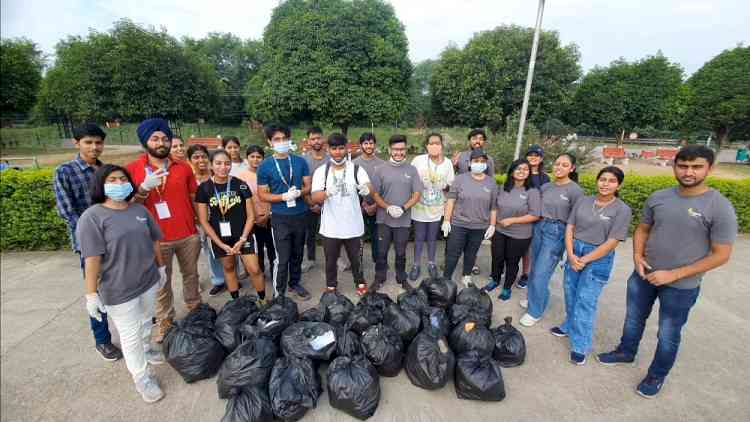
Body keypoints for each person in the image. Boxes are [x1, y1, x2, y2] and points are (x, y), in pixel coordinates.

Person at [597, 145, 737, 398]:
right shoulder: (659, 196)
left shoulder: (719, 206)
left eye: (696, 167)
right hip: (644, 275)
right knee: (633, 319)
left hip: (681, 286)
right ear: (675, 166)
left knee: (668, 333)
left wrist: (673, 274)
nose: (689, 172)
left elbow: (722, 254)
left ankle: (656, 374)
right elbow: (642, 229)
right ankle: (625, 352)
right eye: (683, 166)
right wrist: (638, 256)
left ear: (709, 169)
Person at [77, 164, 167, 403]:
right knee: (130, 334)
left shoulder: (138, 210)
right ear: (101, 185)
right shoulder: (93, 217)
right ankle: (142, 377)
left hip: (147, 279)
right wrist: (90, 294)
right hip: (119, 288)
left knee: (147, 319)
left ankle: (147, 348)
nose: (119, 184)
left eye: (122, 179)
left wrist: (161, 267)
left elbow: (155, 239)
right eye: (112, 180)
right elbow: (92, 258)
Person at [126, 118, 202, 342]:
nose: (161, 143)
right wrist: (142, 189)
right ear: (145, 142)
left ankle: (195, 310)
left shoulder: (183, 168)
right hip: (156, 239)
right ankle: (165, 321)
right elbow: (127, 206)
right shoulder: (133, 170)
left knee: (191, 275)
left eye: (165, 138)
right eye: (155, 138)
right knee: (161, 282)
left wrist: (200, 225)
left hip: (187, 234)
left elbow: (193, 197)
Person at [53, 123, 122, 361]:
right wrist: (93, 233)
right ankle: (102, 340)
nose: (94, 147)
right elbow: (66, 211)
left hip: (116, 240)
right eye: (88, 142)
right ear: (77, 143)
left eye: (98, 142)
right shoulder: (65, 171)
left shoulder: (107, 171)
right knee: (96, 293)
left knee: (121, 284)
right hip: (90, 245)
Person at [550, 166, 632, 366]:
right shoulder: (584, 201)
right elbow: (570, 226)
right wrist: (570, 254)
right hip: (574, 250)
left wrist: (584, 260)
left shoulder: (622, 209)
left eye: (611, 181)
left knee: (586, 301)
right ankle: (569, 324)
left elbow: (612, 242)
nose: (605, 184)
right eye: (602, 179)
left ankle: (580, 346)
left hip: (598, 257)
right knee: (570, 293)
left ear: (618, 185)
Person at [520, 153, 584, 327]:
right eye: (557, 164)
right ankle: (535, 298)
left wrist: (569, 245)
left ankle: (535, 311)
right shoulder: (546, 187)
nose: (559, 168)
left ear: (572, 169)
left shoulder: (575, 190)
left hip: (557, 231)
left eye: (564, 165)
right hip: (539, 226)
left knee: (541, 272)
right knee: (534, 269)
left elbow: (575, 220)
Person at [196, 150, 266, 303]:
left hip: (243, 235)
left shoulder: (240, 185)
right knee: (228, 268)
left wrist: (242, 239)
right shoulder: (204, 188)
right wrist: (219, 243)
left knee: (254, 269)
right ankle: (236, 302)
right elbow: (203, 220)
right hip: (220, 238)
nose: (223, 167)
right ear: (211, 165)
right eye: (218, 163)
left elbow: (251, 216)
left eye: (227, 163)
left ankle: (263, 301)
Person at [311, 133, 372, 296]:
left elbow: (368, 187)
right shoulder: (321, 172)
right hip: (331, 226)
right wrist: (326, 193)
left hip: (353, 225)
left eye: (340, 148)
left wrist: (367, 190)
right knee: (330, 260)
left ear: (346, 149)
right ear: (328, 149)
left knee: (356, 259)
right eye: (334, 148)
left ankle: (360, 282)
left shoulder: (357, 169)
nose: (337, 152)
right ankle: (331, 285)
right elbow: (314, 197)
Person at [257, 123, 312, 300]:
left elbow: (308, 185)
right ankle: (278, 293)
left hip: (300, 214)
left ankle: (294, 283)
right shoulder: (265, 166)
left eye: (285, 139)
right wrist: (283, 197)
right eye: (277, 139)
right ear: (269, 142)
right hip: (280, 217)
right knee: (282, 258)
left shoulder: (300, 161)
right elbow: (262, 194)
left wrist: (299, 193)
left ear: (289, 139)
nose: (281, 142)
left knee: (297, 253)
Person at [370, 134, 423, 291]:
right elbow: (375, 194)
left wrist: (403, 208)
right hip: (383, 220)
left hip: (403, 220)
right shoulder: (380, 170)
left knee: (401, 251)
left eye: (402, 149)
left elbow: (417, 194)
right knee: (381, 251)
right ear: (389, 150)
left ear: (405, 150)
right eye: (395, 149)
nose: (399, 153)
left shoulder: (412, 170)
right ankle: (379, 277)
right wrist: (387, 207)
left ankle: (401, 277)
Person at [482, 159, 541, 300]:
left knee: (512, 261)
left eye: (525, 169)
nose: (521, 171)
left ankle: (507, 287)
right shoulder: (503, 187)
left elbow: (535, 215)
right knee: (497, 258)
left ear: (529, 172)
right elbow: (494, 206)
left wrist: (513, 220)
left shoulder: (532, 192)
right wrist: (492, 224)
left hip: (520, 235)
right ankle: (495, 280)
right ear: (512, 171)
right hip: (500, 230)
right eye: (518, 168)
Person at [442, 149, 497, 287]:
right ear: (470, 163)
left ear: (486, 164)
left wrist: (492, 225)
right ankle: (446, 278)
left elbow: (493, 206)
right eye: (476, 161)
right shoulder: (460, 179)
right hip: (459, 224)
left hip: (479, 226)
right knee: (453, 253)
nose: (479, 163)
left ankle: (466, 276)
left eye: (482, 161)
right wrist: (446, 220)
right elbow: (451, 200)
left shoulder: (491, 183)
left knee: (471, 253)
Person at [409, 132, 455, 281]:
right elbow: (409, 178)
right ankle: (415, 265)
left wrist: (444, 186)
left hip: (436, 208)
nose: (434, 146)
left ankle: (431, 263)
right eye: (431, 143)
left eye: (437, 143)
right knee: (419, 237)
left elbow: (451, 187)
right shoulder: (418, 160)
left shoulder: (447, 163)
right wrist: (419, 184)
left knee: (432, 238)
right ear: (426, 146)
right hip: (419, 207)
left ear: (442, 146)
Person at [451, 128, 495, 275]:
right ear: (469, 140)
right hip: (461, 199)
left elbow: (491, 181)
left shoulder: (489, 159)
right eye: (475, 138)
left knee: (473, 243)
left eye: (481, 138)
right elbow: (451, 176)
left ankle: (470, 265)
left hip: (479, 201)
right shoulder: (461, 156)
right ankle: (449, 262)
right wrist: (453, 163)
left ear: (484, 142)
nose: (478, 141)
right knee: (455, 239)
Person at [188, 144, 227, 295]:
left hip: (222, 219)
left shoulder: (217, 175)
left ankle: (233, 276)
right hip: (199, 222)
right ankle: (218, 280)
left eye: (203, 156)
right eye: (196, 157)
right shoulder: (189, 179)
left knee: (228, 247)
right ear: (190, 160)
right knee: (210, 252)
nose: (201, 160)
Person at [238, 145, 276, 276]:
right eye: (252, 156)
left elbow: (274, 195)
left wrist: (268, 214)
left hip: (270, 217)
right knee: (256, 249)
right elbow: (242, 201)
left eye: (258, 157)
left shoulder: (269, 173)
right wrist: (254, 218)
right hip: (252, 220)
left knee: (272, 247)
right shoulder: (241, 177)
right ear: (247, 158)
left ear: (263, 158)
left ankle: (274, 271)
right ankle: (259, 273)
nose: (255, 159)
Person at [518, 144, 550, 289]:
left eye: (536, 155)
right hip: (517, 215)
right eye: (530, 155)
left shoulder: (545, 178)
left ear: (541, 158)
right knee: (512, 246)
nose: (533, 157)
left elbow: (546, 199)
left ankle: (526, 273)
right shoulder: (520, 172)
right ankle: (509, 270)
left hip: (535, 218)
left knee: (528, 250)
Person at [353, 132, 385, 267]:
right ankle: (356, 262)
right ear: (361, 145)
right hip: (358, 207)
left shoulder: (383, 164)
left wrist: (375, 206)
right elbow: (351, 187)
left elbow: (385, 188)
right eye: (365, 143)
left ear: (375, 145)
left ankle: (379, 261)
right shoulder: (353, 164)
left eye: (371, 143)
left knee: (377, 237)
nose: (368, 146)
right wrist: (361, 204)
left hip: (377, 206)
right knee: (357, 236)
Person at [301, 126, 328, 273]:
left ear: (323, 139)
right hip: (308, 204)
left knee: (331, 233)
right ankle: (310, 259)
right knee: (309, 233)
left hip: (328, 204)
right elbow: (301, 184)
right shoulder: (303, 160)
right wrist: (311, 202)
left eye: (318, 138)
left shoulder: (331, 159)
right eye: (313, 139)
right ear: (308, 141)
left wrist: (323, 203)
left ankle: (334, 258)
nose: (316, 141)